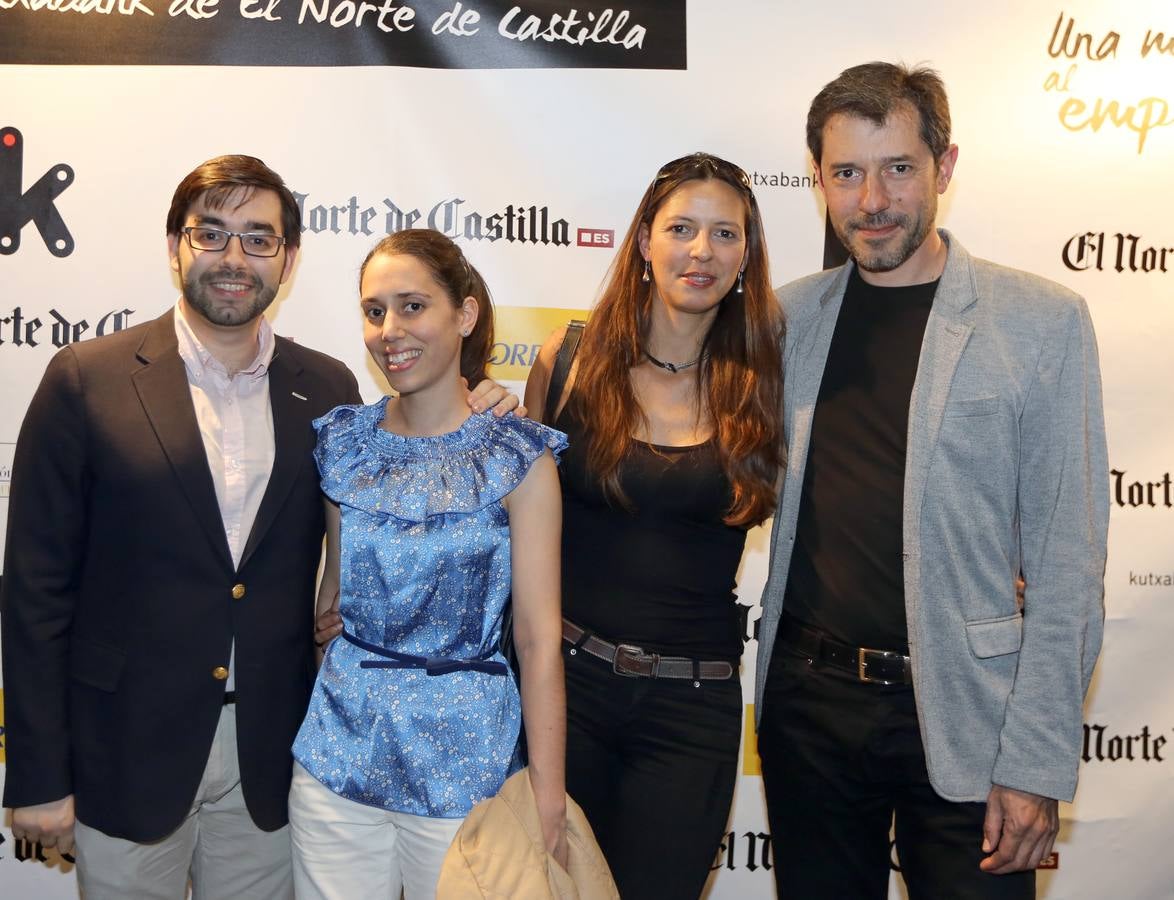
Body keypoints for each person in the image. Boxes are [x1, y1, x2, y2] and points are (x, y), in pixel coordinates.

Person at [0, 155, 512, 899]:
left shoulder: (329, 388)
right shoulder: (88, 378)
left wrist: (487, 402)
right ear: (176, 245)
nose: (234, 257)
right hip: (125, 750)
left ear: (289, 259)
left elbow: (419, 451)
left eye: (258, 238)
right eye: (211, 234)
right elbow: (35, 589)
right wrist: (39, 770)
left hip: (273, 757)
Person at [753, 62, 1109, 899]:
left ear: (944, 169)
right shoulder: (785, 318)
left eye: (897, 168)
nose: (871, 200)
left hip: (972, 715)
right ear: (818, 182)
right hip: (809, 707)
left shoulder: (1042, 321)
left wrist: (1036, 762)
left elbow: (1067, 563)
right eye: (846, 173)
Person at [523, 152, 783, 899]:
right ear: (643, 241)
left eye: (724, 234)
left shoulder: (769, 382)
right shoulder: (567, 362)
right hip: (565, 695)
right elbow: (515, 529)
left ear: (746, 255)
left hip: (691, 712)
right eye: (681, 229)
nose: (701, 251)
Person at [289, 229, 568, 899]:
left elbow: (538, 642)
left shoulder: (517, 456)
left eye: (413, 306)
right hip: (336, 763)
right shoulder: (343, 443)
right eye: (374, 310)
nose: (390, 330)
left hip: (468, 771)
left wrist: (548, 797)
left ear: (464, 316)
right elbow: (331, 602)